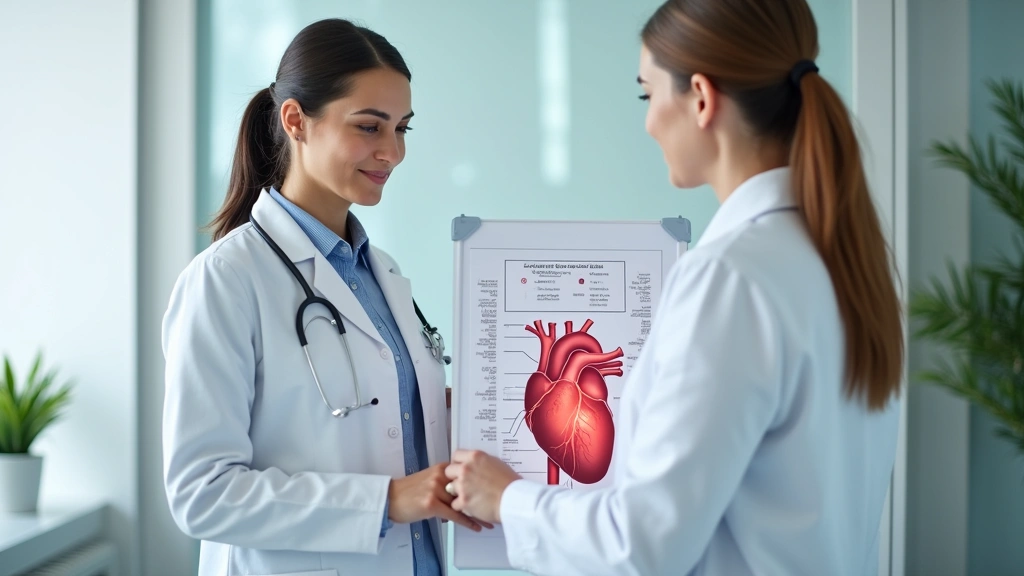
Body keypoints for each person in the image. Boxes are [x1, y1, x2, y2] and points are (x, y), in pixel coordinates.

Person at [443, 1, 903, 574]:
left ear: (703, 99)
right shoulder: (844, 260)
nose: (648, 121)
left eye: (647, 94)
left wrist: (507, 497)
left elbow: (644, 544)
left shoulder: (732, 277)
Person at [162, 18, 488, 576]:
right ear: (296, 121)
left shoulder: (381, 273)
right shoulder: (226, 279)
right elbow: (202, 492)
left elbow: (380, 419)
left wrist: (447, 407)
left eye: (403, 129)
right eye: (369, 127)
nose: (393, 151)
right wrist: (387, 501)